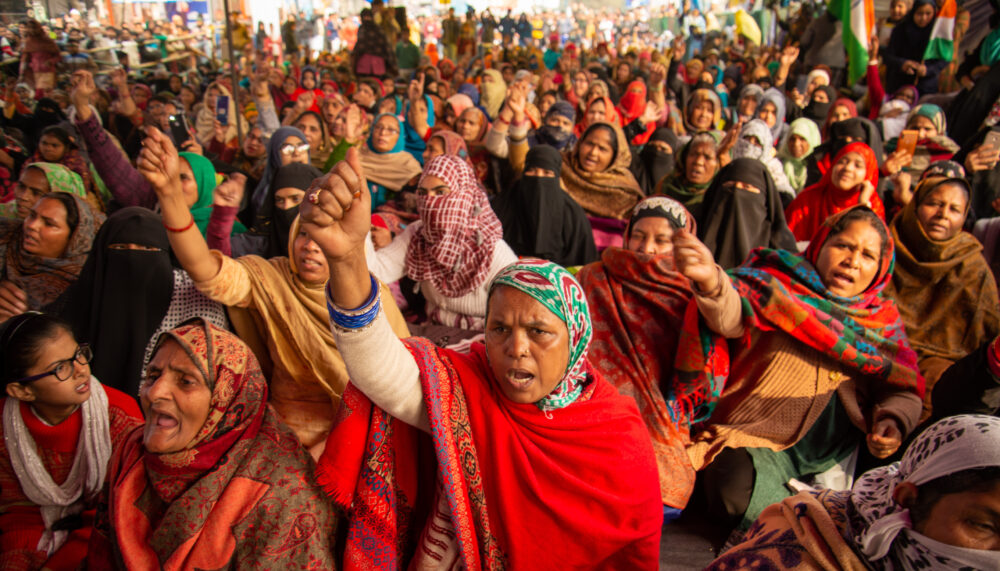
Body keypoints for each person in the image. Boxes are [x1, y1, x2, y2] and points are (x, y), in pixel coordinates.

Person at [297, 152, 662, 566]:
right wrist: (346, 262)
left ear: (576, 341)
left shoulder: (617, 436)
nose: (516, 348)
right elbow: (384, 373)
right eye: (499, 329)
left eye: (539, 332)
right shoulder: (470, 385)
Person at [136, 126, 409, 455]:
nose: (311, 247)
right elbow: (204, 270)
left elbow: (399, 380)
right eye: (303, 235)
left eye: (323, 238)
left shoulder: (368, 296)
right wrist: (169, 194)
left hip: (357, 436)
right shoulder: (269, 279)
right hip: (280, 437)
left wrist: (338, 446)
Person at [677, 206, 923, 529]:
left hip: (836, 453)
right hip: (755, 435)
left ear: (880, 270)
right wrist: (711, 282)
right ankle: (810, 524)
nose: (852, 260)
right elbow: (730, 314)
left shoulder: (882, 321)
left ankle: (806, 519)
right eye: (844, 246)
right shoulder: (774, 283)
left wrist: (892, 420)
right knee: (730, 493)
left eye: (867, 255)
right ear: (821, 243)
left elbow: (902, 386)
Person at [86, 319, 338, 569]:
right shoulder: (131, 453)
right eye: (153, 375)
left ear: (226, 402)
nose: (154, 392)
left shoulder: (284, 496)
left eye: (186, 381)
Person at [707, 414, 1000, 570]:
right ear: (908, 500)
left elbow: (899, 382)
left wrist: (893, 417)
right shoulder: (788, 561)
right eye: (984, 525)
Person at [576, 196, 699, 514]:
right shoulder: (593, 278)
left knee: (652, 497)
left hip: (663, 413)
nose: (648, 248)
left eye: (663, 240)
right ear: (627, 235)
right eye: (639, 236)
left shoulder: (693, 290)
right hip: (596, 404)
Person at [0, 312, 142, 571]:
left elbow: (118, 512)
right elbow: (19, 512)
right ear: (22, 391)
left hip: (103, 536)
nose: (81, 369)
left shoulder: (121, 416)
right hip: (35, 531)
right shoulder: (5, 427)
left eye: (78, 354)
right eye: (60, 368)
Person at [60, 208, 227, 398]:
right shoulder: (83, 294)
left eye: (148, 249)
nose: (133, 259)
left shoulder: (190, 296)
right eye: (120, 248)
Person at [883, 171, 1000, 420]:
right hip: (877, 345)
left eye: (954, 209)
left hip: (940, 365)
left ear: (964, 217)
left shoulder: (971, 265)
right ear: (915, 204)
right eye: (934, 203)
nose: (943, 214)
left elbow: (988, 330)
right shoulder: (885, 247)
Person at [364, 153, 517, 330]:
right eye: (422, 193)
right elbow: (376, 271)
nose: (430, 202)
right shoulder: (418, 234)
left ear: (464, 195)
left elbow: (514, 314)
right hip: (431, 329)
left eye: (441, 192)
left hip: (480, 340)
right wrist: (361, 228)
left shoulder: (491, 250)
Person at [492, 145, 597, 267]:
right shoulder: (503, 205)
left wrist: (546, 267)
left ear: (557, 177)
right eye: (532, 170)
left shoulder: (572, 214)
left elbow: (584, 262)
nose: (539, 178)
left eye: (547, 173)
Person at [0, 192, 102, 318]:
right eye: (32, 215)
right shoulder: (6, 238)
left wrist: (28, 319)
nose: (31, 226)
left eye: (48, 223)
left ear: (75, 239)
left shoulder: (82, 287)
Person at [698, 158, 798, 269]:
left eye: (747, 187)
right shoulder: (694, 234)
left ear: (764, 198)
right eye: (730, 186)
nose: (736, 193)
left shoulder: (783, 254)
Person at [785, 142, 884, 241]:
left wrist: (863, 205)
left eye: (857, 166)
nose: (847, 168)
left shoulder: (874, 206)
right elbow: (786, 242)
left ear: (869, 174)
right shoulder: (808, 198)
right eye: (842, 162)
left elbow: (869, 245)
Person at [560, 121, 643, 221]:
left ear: (615, 155)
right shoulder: (560, 167)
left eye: (602, 149)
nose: (593, 153)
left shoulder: (625, 193)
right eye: (589, 144)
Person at [883, 0, 950, 95]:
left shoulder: (937, 35)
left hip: (926, 88)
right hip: (899, 86)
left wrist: (927, 70)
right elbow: (888, 56)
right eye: (919, 13)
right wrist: (903, 64)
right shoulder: (900, 29)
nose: (923, 18)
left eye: (928, 14)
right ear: (913, 12)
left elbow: (944, 58)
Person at [359, 113, 421, 209]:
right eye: (378, 127)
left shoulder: (408, 165)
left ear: (399, 136)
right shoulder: (357, 155)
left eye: (391, 130)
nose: (383, 133)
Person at [655, 133, 720, 221]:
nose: (698, 162)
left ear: (718, 165)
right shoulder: (666, 185)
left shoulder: (718, 196)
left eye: (707, 157)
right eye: (693, 154)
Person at [779, 118, 823, 194]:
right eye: (792, 139)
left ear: (811, 141)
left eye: (802, 139)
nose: (796, 144)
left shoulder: (819, 170)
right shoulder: (777, 165)